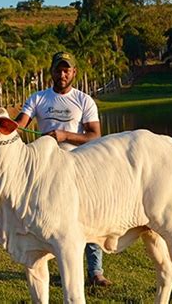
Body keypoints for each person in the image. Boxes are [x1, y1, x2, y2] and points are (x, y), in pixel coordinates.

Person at [15, 51, 112, 287]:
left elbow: (95, 136)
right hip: (46, 170)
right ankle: (59, 270)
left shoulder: (83, 100)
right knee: (49, 221)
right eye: (58, 69)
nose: (62, 73)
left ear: (74, 72)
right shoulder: (38, 99)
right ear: (51, 71)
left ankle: (95, 271)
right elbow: (19, 125)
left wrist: (63, 135)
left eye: (67, 69)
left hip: (80, 167)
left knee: (87, 216)